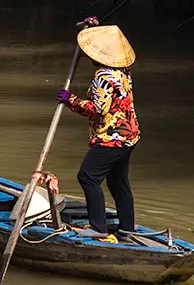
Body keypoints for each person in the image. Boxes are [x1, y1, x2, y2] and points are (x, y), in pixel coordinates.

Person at [56, 17, 139, 242]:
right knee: (118, 181)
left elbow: (98, 110)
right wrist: (94, 29)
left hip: (112, 137)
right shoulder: (124, 70)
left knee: (88, 176)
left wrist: (71, 100)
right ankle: (127, 228)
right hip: (129, 135)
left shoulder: (103, 76)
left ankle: (98, 227)